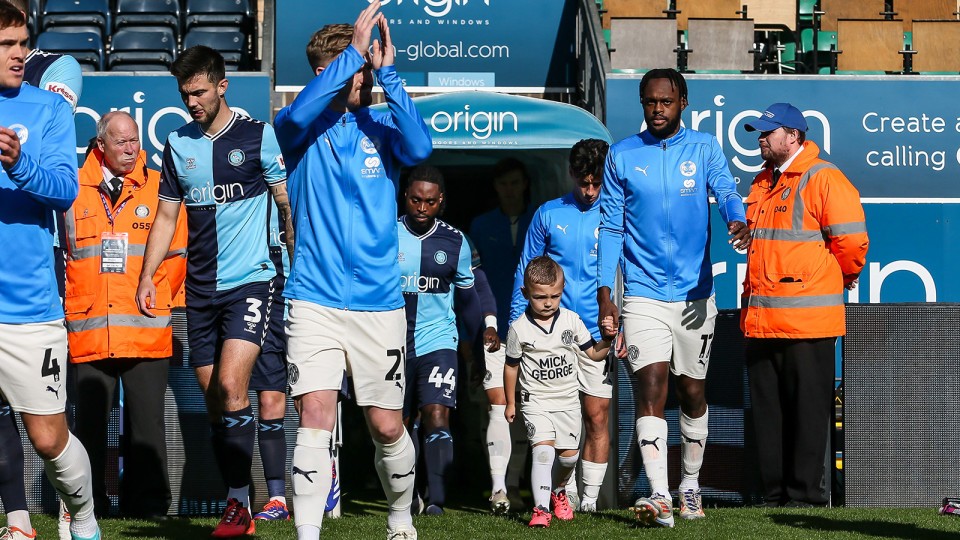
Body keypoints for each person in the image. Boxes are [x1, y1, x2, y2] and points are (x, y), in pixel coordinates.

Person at [272, 2, 432, 538]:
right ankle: (308, 535)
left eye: (363, 66)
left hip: (378, 304)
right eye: (356, 66)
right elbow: (293, 117)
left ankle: (399, 516)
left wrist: (387, 72)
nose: (362, 75)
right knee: (314, 416)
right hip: (313, 298)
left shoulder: (384, 125)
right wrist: (352, 57)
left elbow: (422, 146)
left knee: (387, 425)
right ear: (329, 72)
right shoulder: (298, 129)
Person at [136, 45, 292, 538]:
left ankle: (241, 503)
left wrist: (293, 249)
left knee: (231, 388)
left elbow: (285, 202)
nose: (192, 101)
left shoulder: (257, 137)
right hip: (199, 291)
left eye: (200, 91)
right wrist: (146, 276)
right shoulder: (177, 143)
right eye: (185, 94)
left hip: (252, 280)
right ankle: (239, 503)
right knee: (215, 403)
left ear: (222, 86)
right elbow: (165, 217)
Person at [597, 68, 750, 528]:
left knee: (692, 391)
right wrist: (607, 294)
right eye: (649, 102)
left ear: (683, 101)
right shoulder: (622, 155)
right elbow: (610, 228)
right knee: (650, 389)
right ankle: (659, 495)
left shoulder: (703, 148)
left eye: (665, 101)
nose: (657, 110)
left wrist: (735, 218)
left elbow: (725, 190)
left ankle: (689, 486)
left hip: (694, 295)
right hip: (642, 294)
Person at [0, 5, 102, 540]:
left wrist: (18, 163)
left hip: (27, 309)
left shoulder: (47, 111)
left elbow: (65, 189)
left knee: (47, 438)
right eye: (6, 44)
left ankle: (82, 519)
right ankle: (17, 521)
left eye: (22, 42)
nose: (19, 53)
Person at [740, 102, 868, 507]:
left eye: (768, 132)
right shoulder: (762, 182)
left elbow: (851, 242)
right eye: (759, 132)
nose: (760, 138)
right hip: (762, 319)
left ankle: (805, 498)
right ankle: (772, 494)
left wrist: (842, 277)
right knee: (769, 414)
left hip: (808, 322)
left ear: (793, 136)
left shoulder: (823, 177)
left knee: (809, 416)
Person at [63, 111, 187, 519]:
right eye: (121, 142)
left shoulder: (159, 187)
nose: (132, 149)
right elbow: (61, 256)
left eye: (134, 140)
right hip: (90, 326)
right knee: (89, 428)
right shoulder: (73, 190)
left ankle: (147, 506)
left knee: (147, 427)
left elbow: (177, 253)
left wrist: (159, 294)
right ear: (101, 146)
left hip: (145, 324)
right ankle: (88, 506)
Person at [509, 138, 611, 513]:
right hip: (550, 336)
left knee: (596, 415)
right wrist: (515, 327)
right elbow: (527, 273)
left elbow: (628, 270)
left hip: (597, 333)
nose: (590, 191)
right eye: (583, 182)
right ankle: (554, 494)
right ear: (571, 174)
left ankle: (588, 501)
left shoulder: (616, 215)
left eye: (596, 183)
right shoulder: (548, 213)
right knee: (549, 424)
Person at [504, 256, 614, 528]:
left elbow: (594, 353)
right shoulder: (519, 329)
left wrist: (608, 339)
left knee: (568, 457)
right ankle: (540, 509)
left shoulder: (571, 320)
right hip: (536, 402)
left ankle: (559, 490)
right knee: (543, 453)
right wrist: (510, 402)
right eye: (540, 297)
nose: (548, 302)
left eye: (555, 296)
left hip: (567, 401)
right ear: (525, 293)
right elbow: (510, 367)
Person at [397, 165, 481, 516]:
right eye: (416, 199)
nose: (422, 207)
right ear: (405, 197)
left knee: (436, 413)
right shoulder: (384, 235)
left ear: (440, 201)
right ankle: (410, 492)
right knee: (398, 424)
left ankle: (437, 501)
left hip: (438, 339)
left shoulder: (455, 241)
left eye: (430, 201)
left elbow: (469, 299)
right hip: (393, 341)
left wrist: (476, 346)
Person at [469, 157, 535, 513]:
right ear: (495, 188)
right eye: (503, 183)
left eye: (515, 182)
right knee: (493, 409)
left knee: (525, 410)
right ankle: (498, 487)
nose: (510, 189)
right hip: (491, 331)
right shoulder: (480, 225)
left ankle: (515, 483)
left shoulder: (538, 220)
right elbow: (472, 284)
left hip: (534, 329)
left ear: (525, 184)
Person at [251, 193, 292, 522]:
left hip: (308, 296)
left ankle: (321, 480)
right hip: (263, 297)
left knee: (311, 402)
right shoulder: (246, 185)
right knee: (269, 401)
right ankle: (277, 498)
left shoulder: (305, 180)